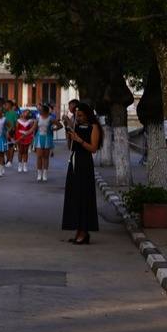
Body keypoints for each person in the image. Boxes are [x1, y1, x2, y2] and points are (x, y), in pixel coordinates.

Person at [60, 100, 102, 243]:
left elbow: (93, 148)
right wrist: (68, 128)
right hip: (74, 162)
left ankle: (85, 231)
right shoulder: (76, 126)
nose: (78, 118)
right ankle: (78, 229)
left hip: (84, 163)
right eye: (77, 116)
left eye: (81, 116)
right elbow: (70, 145)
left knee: (84, 196)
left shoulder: (94, 127)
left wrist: (79, 140)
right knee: (74, 196)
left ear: (88, 115)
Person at [32, 105, 56, 182]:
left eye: (41, 110)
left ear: (45, 111)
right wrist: (26, 133)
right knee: (39, 156)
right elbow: (33, 128)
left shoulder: (50, 118)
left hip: (47, 138)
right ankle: (39, 174)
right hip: (39, 138)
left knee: (45, 157)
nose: (39, 111)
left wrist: (53, 129)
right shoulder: (38, 118)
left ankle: (45, 174)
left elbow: (60, 126)